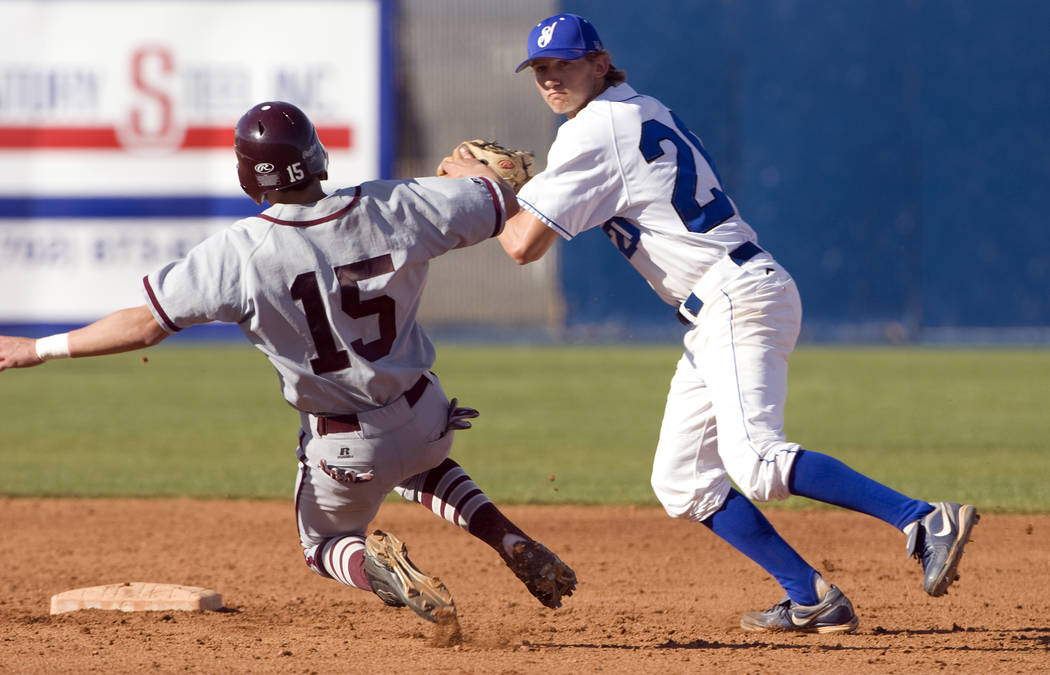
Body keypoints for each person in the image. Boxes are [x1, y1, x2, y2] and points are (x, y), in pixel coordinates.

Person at [439, 13, 978, 634]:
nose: (552, 79)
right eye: (541, 70)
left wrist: (480, 186)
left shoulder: (594, 130)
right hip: (724, 302)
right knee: (682, 479)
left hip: (732, 296)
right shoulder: (636, 109)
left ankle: (921, 519)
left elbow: (522, 245)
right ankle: (812, 597)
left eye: (565, 64)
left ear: (598, 62)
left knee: (755, 460)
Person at [0, 100, 576, 625]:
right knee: (420, 466)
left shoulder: (239, 254)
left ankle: (379, 572)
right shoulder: (396, 204)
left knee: (323, 545)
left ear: (249, 174)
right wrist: (460, 177)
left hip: (345, 448)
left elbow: (146, 323)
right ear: (315, 156)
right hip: (426, 415)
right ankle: (510, 541)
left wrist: (38, 348)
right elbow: (503, 194)